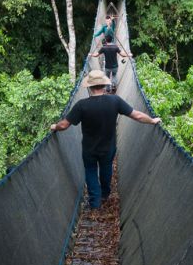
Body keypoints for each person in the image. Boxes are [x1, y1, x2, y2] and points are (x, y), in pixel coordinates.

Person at [50, 70, 161, 209]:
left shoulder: (81, 105)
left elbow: (64, 125)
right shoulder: (115, 101)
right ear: (104, 85)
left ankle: (94, 203)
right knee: (106, 168)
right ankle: (105, 194)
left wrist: (55, 126)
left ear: (89, 87)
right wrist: (152, 120)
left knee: (90, 171)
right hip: (108, 147)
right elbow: (137, 116)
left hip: (89, 148)